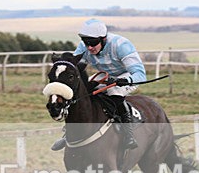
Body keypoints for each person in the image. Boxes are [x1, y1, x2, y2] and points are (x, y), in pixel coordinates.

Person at [51, 19, 147, 150]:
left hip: (126, 76)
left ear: (103, 39)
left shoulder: (121, 45)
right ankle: (68, 133)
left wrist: (126, 81)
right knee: (84, 91)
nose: (89, 47)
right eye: (86, 43)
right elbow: (77, 68)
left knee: (115, 91)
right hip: (106, 75)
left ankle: (128, 134)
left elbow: (140, 74)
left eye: (93, 43)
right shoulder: (84, 47)